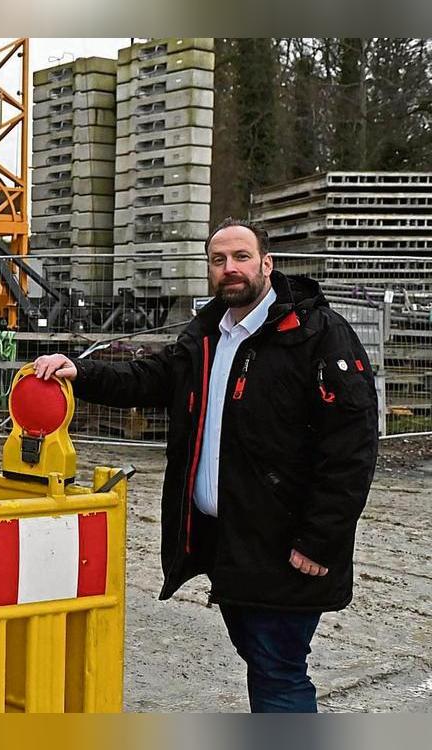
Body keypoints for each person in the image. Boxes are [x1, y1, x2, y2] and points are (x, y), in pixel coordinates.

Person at [34, 218, 379, 713]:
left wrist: (319, 539)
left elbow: (351, 447)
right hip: (228, 538)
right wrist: (79, 371)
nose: (229, 269)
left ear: (267, 263)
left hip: (285, 543)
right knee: (263, 661)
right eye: (218, 260)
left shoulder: (317, 335)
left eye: (241, 257)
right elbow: (148, 379)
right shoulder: (209, 334)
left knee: (279, 671)